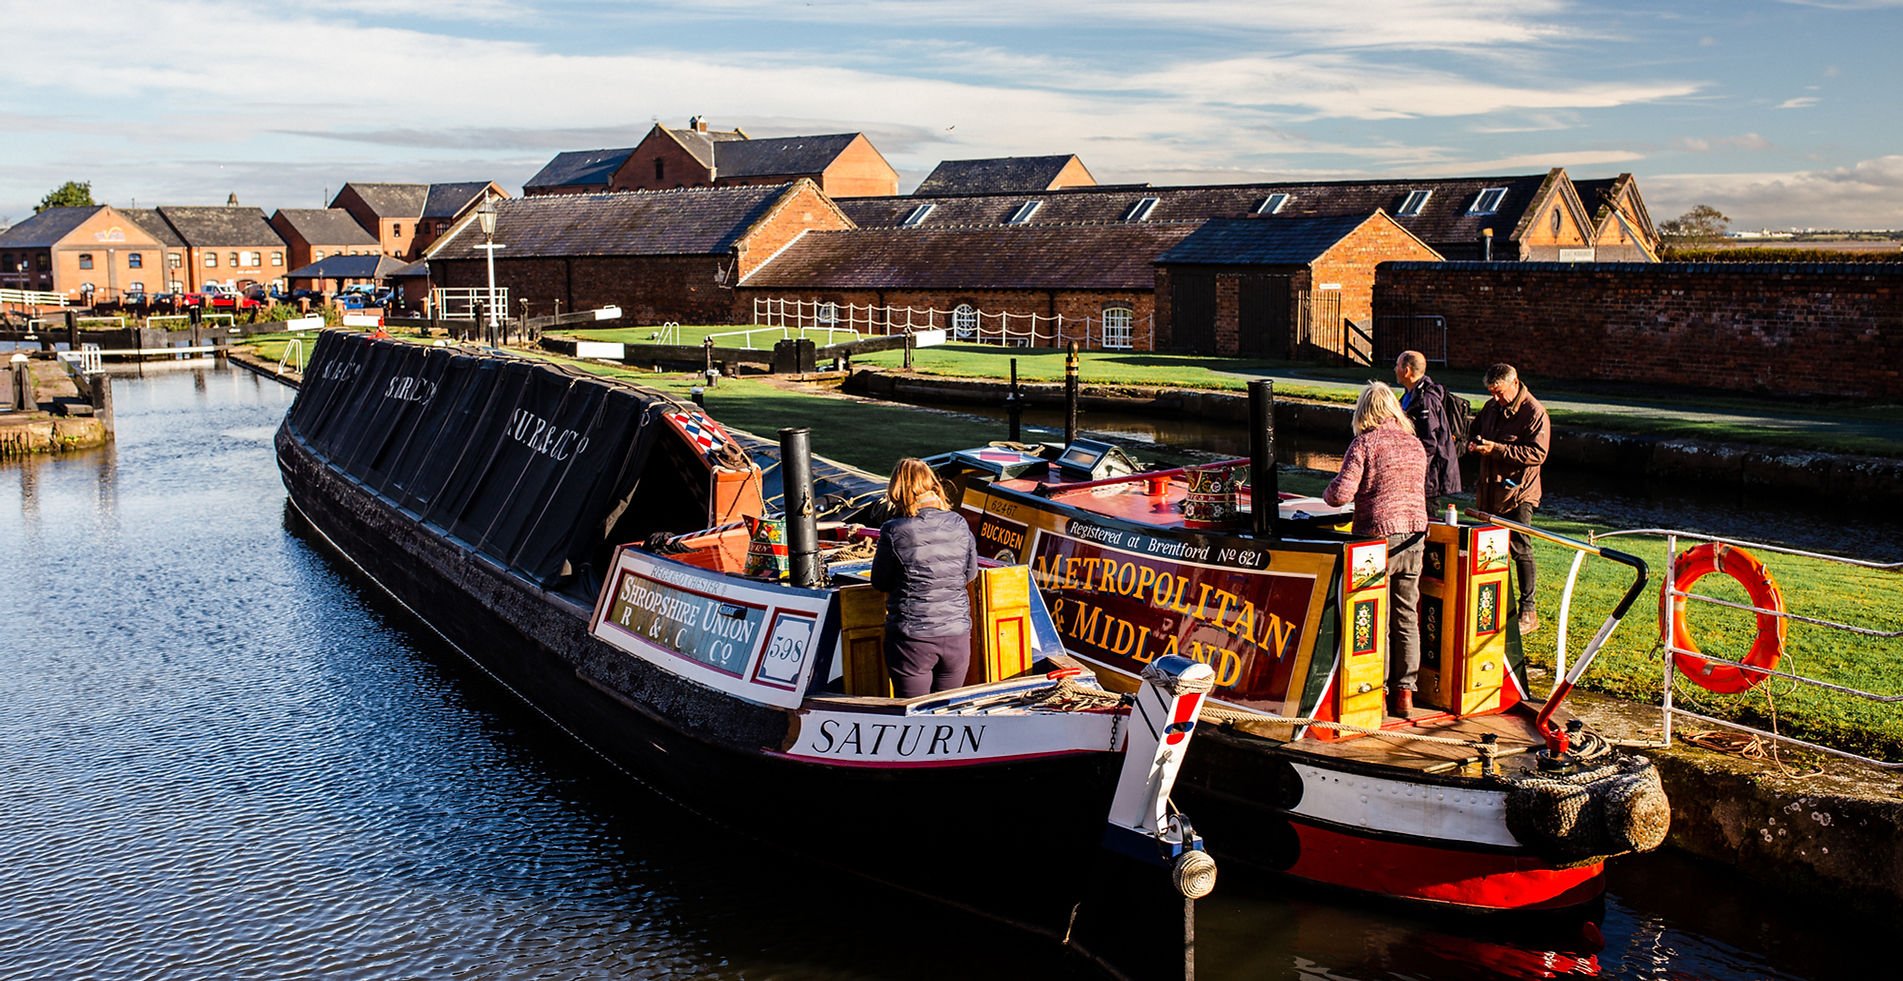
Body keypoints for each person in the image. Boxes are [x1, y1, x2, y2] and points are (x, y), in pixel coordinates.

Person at [1322, 383, 1429, 718]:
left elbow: (1340, 494)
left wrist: (1326, 492)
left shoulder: (1365, 443)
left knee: (1374, 618)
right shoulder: (1414, 444)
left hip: (1376, 539)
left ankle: (1375, 696)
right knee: (1405, 615)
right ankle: (1405, 695)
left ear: (1364, 411)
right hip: (1414, 536)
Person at [870, 458, 979, 697]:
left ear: (897, 490)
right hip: (956, 635)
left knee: (914, 712)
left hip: (913, 638)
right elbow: (969, 574)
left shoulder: (894, 530)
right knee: (947, 710)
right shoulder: (959, 523)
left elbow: (880, 582)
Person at [1468, 363, 1550, 634]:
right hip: (1490, 490)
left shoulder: (1534, 412)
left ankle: (1529, 611)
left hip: (1518, 493)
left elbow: (1537, 454)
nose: (1495, 398)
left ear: (1514, 383)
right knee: (1488, 548)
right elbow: (1477, 429)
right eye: (1491, 392)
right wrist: (1475, 442)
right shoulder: (1492, 408)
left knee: (1520, 548)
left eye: (1499, 392)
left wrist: (1497, 449)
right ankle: (1491, 605)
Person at [1393, 349, 1462, 508]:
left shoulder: (1426, 400)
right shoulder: (1409, 395)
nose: (1395, 369)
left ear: (1407, 370)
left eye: (1397, 365)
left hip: (1426, 476)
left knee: (1426, 518)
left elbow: (1429, 442)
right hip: (1414, 472)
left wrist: (1410, 462)